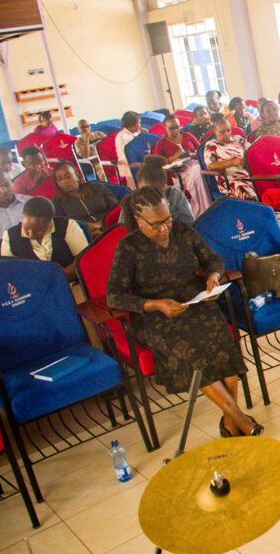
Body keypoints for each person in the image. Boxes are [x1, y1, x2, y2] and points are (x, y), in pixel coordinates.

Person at [106, 185, 261, 437]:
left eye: (167, 219)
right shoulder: (129, 247)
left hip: (194, 302)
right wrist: (156, 304)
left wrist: (213, 276)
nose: (164, 228)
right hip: (155, 316)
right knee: (192, 352)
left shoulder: (183, 231)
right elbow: (114, 295)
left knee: (223, 342)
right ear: (138, 219)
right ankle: (239, 419)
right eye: (156, 224)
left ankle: (230, 421)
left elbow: (214, 260)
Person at [1, 196, 88, 279]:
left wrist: (56, 278)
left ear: (50, 222)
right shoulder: (9, 236)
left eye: (38, 231)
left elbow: (85, 260)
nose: (31, 235)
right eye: (26, 229)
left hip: (71, 281)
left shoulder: (67, 226)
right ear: (22, 218)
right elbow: (8, 270)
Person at [152, 115, 211, 216]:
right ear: (165, 128)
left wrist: (192, 155)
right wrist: (173, 158)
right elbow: (157, 163)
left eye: (177, 127)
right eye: (171, 128)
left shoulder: (187, 136)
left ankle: (204, 208)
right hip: (179, 172)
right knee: (196, 170)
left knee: (197, 169)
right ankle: (202, 209)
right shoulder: (161, 143)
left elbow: (201, 150)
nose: (175, 130)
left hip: (195, 164)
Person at [118, 156, 195, 226]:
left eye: (158, 193)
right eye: (146, 192)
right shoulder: (129, 203)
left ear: (165, 185)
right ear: (138, 186)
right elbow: (123, 231)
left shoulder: (175, 195)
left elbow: (189, 225)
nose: (152, 197)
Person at [52, 161, 118, 237]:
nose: (65, 182)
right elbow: (63, 226)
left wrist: (100, 224)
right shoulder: (58, 201)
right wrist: (88, 229)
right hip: (85, 235)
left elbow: (116, 208)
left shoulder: (96, 188)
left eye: (68, 177)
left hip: (111, 226)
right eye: (59, 179)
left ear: (77, 176)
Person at [204, 117, 257, 200]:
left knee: (268, 189)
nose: (226, 134)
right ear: (215, 131)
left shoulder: (238, 139)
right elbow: (210, 166)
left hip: (250, 176)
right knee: (251, 196)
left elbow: (253, 151)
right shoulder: (212, 145)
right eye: (222, 132)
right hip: (231, 181)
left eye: (228, 130)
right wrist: (233, 162)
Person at [114, 111, 145, 187]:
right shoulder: (121, 136)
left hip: (139, 162)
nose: (140, 126)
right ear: (132, 124)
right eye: (139, 123)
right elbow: (128, 153)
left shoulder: (137, 133)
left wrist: (144, 135)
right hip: (128, 164)